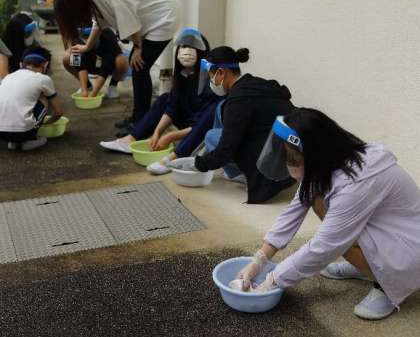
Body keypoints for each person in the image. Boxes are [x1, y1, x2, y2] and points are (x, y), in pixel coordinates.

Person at [237, 108, 420, 320]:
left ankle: (388, 285)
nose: (288, 162)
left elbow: (324, 247)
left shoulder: (357, 182)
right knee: (319, 202)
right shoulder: (332, 161)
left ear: (315, 152)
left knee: (338, 237)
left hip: (410, 251)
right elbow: (293, 211)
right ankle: (368, 267)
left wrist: (272, 281)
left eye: (293, 157)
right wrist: (259, 259)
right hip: (392, 236)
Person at [170, 46, 296, 203]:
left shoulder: (239, 101)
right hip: (288, 162)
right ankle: (226, 166)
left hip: (269, 173)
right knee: (220, 107)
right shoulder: (254, 84)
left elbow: (225, 150)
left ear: (221, 73)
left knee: (211, 137)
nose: (211, 82)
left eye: (211, 76)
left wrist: (198, 164)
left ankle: (242, 176)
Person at [54, 0, 178, 132]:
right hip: (152, 19)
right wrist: (87, 47)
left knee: (139, 67)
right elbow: (98, 23)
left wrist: (138, 46)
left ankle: (141, 123)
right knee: (138, 66)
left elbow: (127, 16)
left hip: (163, 17)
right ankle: (137, 118)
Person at [100, 27, 219, 175]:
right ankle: (131, 139)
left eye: (191, 47)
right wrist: (157, 132)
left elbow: (202, 122)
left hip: (201, 126)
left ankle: (174, 158)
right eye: (182, 46)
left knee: (210, 115)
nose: (186, 51)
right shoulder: (182, 75)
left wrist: (169, 136)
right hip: (188, 121)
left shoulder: (210, 79)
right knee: (164, 99)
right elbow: (172, 107)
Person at [0, 46, 63, 151]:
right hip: (23, 132)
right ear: (45, 65)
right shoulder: (43, 79)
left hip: (1, 134)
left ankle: (14, 142)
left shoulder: (8, 77)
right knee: (44, 98)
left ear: (21, 64)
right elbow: (59, 112)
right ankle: (29, 141)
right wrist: (46, 124)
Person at [62, 27, 128, 99]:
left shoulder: (108, 36)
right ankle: (87, 86)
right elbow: (79, 64)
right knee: (67, 58)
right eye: (85, 38)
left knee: (121, 61)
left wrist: (94, 93)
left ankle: (113, 86)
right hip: (92, 61)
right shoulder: (78, 35)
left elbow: (106, 67)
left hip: (109, 63)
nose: (87, 40)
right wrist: (84, 90)